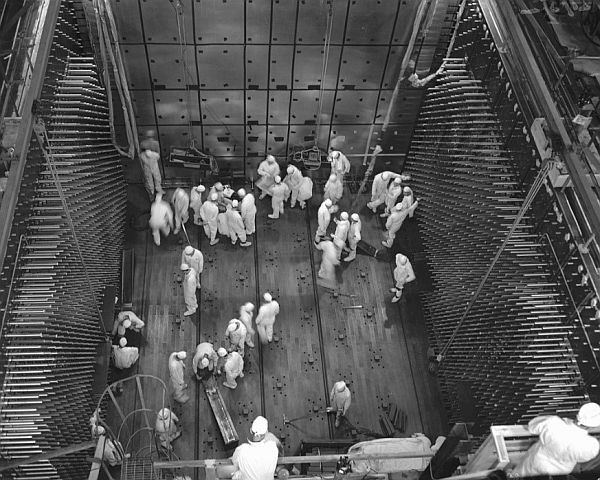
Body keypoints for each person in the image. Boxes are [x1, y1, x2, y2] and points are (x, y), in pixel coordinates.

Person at [513, 403, 600, 477]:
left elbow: (532, 426)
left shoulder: (554, 423)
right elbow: (582, 459)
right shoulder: (592, 445)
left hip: (536, 461)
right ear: (593, 426)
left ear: (578, 413)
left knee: (517, 475)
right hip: (559, 473)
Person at [139, 130, 163, 200]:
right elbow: (158, 154)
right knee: (156, 177)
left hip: (147, 163)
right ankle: (156, 191)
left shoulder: (143, 143)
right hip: (152, 163)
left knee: (149, 178)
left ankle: (152, 193)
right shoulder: (155, 143)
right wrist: (153, 158)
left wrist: (146, 159)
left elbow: (141, 154)